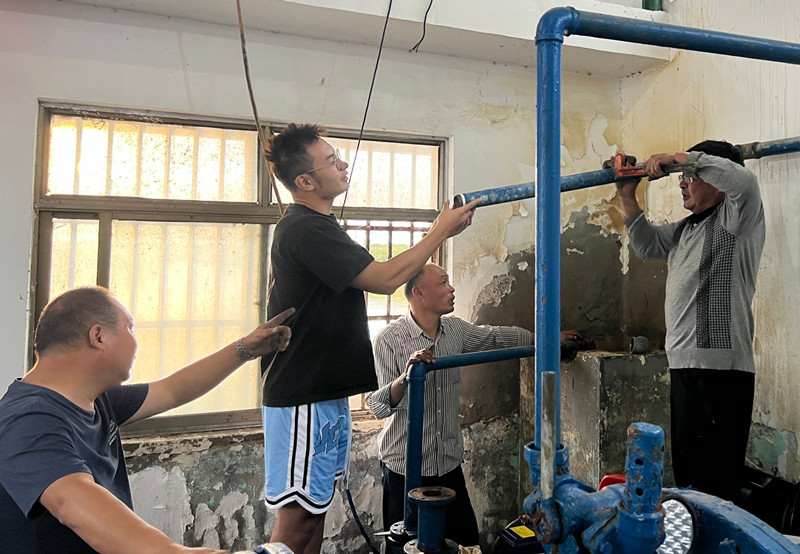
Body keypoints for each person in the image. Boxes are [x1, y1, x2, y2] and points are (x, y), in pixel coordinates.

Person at [261, 123, 480, 554]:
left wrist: (440, 232)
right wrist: (439, 231)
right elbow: (384, 278)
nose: (343, 164)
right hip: (301, 396)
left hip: (322, 394)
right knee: (297, 521)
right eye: (331, 161)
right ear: (304, 181)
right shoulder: (304, 228)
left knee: (313, 515)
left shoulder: (320, 226)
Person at [0, 286, 295, 554]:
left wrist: (245, 349)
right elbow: (70, 499)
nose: (135, 340)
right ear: (98, 336)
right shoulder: (28, 419)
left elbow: (173, 390)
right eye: (130, 328)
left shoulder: (96, 399)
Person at [365, 263, 584, 546]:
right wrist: (408, 376)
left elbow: (494, 337)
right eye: (443, 282)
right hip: (405, 470)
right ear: (419, 292)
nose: (452, 288)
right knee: (407, 544)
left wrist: (546, 339)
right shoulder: (388, 340)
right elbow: (378, 406)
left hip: (447, 463)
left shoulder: (455, 330)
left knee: (466, 541)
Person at [613, 140, 765, 502]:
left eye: (691, 176)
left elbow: (744, 182)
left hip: (722, 371)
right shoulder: (685, 229)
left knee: (717, 486)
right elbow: (647, 244)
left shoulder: (737, 219)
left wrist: (680, 159)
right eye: (682, 176)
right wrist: (627, 195)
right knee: (689, 480)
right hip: (683, 365)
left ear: (716, 180)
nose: (682, 183)